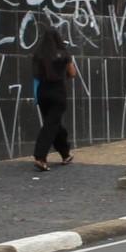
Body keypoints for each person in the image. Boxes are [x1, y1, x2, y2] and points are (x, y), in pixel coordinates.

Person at [28, 21, 77, 172]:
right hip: (58, 92)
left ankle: (65, 153)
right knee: (51, 125)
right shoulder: (63, 54)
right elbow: (73, 73)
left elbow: (35, 74)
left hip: (42, 92)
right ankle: (40, 157)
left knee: (54, 124)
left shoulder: (38, 54)